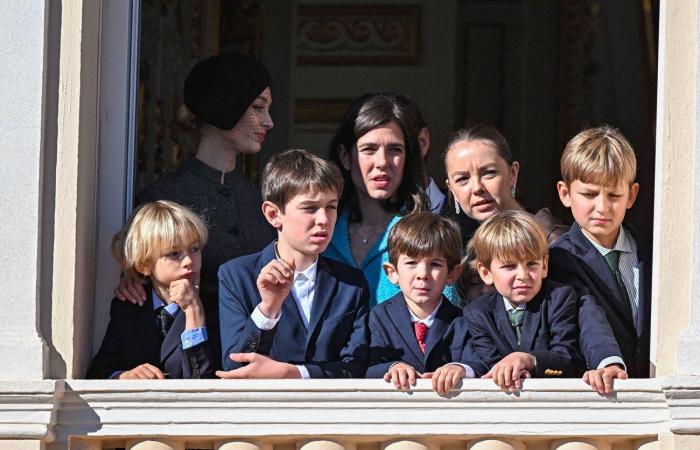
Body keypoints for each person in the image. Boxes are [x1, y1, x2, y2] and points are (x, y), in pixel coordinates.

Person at [115, 54, 277, 361]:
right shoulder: (163, 198)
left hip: (254, 359)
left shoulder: (259, 200)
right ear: (223, 104)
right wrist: (133, 278)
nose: (269, 121)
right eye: (257, 107)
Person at [216, 149, 369, 379]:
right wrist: (268, 309)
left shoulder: (351, 283)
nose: (324, 220)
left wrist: (295, 373)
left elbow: (358, 366)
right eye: (309, 208)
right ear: (273, 214)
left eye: (331, 206)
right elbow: (235, 368)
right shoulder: (236, 276)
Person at [549, 125, 648, 387]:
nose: (602, 207)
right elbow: (585, 315)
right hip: (598, 391)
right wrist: (606, 361)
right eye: (590, 194)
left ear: (632, 195)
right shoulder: (559, 260)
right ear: (565, 193)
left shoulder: (651, 252)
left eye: (614, 194)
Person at [87, 201, 215, 379]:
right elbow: (99, 372)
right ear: (144, 265)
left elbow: (203, 382)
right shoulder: (129, 308)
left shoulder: (214, 304)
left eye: (194, 249)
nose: (188, 261)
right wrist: (124, 377)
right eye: (173, 253)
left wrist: (194, 312)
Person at [324, 93, 430, 307]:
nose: (382, 162)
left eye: (394, 150)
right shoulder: (321, 233)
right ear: (345, 156)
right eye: (369, 150)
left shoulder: (428, 239)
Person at [443, 123, 566, 304]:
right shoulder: (459, 248)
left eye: (489, 173)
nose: (477, 188)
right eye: (462, 179)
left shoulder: (555, 242)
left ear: (513, 174)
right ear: (451, 189)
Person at [462, 210, 584, 392]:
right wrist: (510, 373)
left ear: (544, 265)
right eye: (509, 266)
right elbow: (489, 364)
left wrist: (529, 360)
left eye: (531, 264)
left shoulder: (559, 298)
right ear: (486, 273)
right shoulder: (478, 313)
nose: (523, 275)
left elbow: (568, 358)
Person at [366, 212, 487, 394]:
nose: (423, 274)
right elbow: (366, 366)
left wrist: (460, 368)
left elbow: (479, 363)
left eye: (435, 264)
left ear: (453, 274)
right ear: (392, 272)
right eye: (412, 263)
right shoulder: (378, 317)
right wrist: (392, 368)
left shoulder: (464, 320)